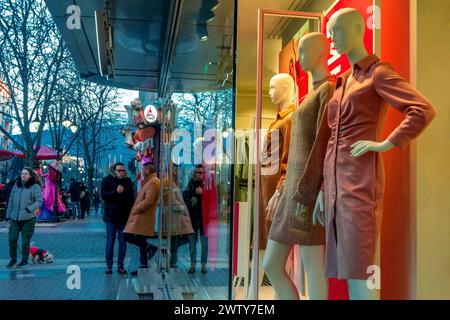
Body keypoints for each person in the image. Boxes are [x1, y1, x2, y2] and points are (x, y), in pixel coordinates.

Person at [124, 162, 160, 277]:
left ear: (148, 170)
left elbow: (149, 201)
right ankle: (143, 266)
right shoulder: (150, 181)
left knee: (127, 235)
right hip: (143, 217)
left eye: (143, 169)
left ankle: (150, 248)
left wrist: (136, 209)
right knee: (141, 240)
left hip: (143, 217)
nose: (142, 171)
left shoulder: (153, 182)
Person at [5, 167, 43, 268]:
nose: (23, 175)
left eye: (26, 174)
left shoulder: (35, 186)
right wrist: (8, 215)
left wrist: (29, 209)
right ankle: (13, 259)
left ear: (30, 175)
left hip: (28, 219)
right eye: (22, 174)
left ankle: (24, 260)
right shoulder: (16, 186)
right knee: (12, 239)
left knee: (25, 241)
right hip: (14, 218)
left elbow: (39, 201)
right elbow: (11, 201)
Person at [101, 162, 135, 275]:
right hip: (110, 217)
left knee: (122, 242)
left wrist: (131, 215)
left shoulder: (128, 182)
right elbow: (104, 196)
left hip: (124, 218)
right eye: (119, 170)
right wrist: (116, 192)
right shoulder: (107, 180)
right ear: (114, 171)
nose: (121, 172)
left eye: (123, 170)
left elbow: (131, 199)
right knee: (110, 241)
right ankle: (109, 266)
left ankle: (121, 265)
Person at [183, 165, 208, 274]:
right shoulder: (190, 184)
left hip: (204, 220)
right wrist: (194, 195)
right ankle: (193, 265)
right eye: (197, 172)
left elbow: (211, 201)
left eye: (201, 172)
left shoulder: (207, 186)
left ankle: (203, 265)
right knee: (192, 243)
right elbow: (185, 197)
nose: (199, 174)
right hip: (193, 219)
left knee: (204, 244)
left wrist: (202, 194)